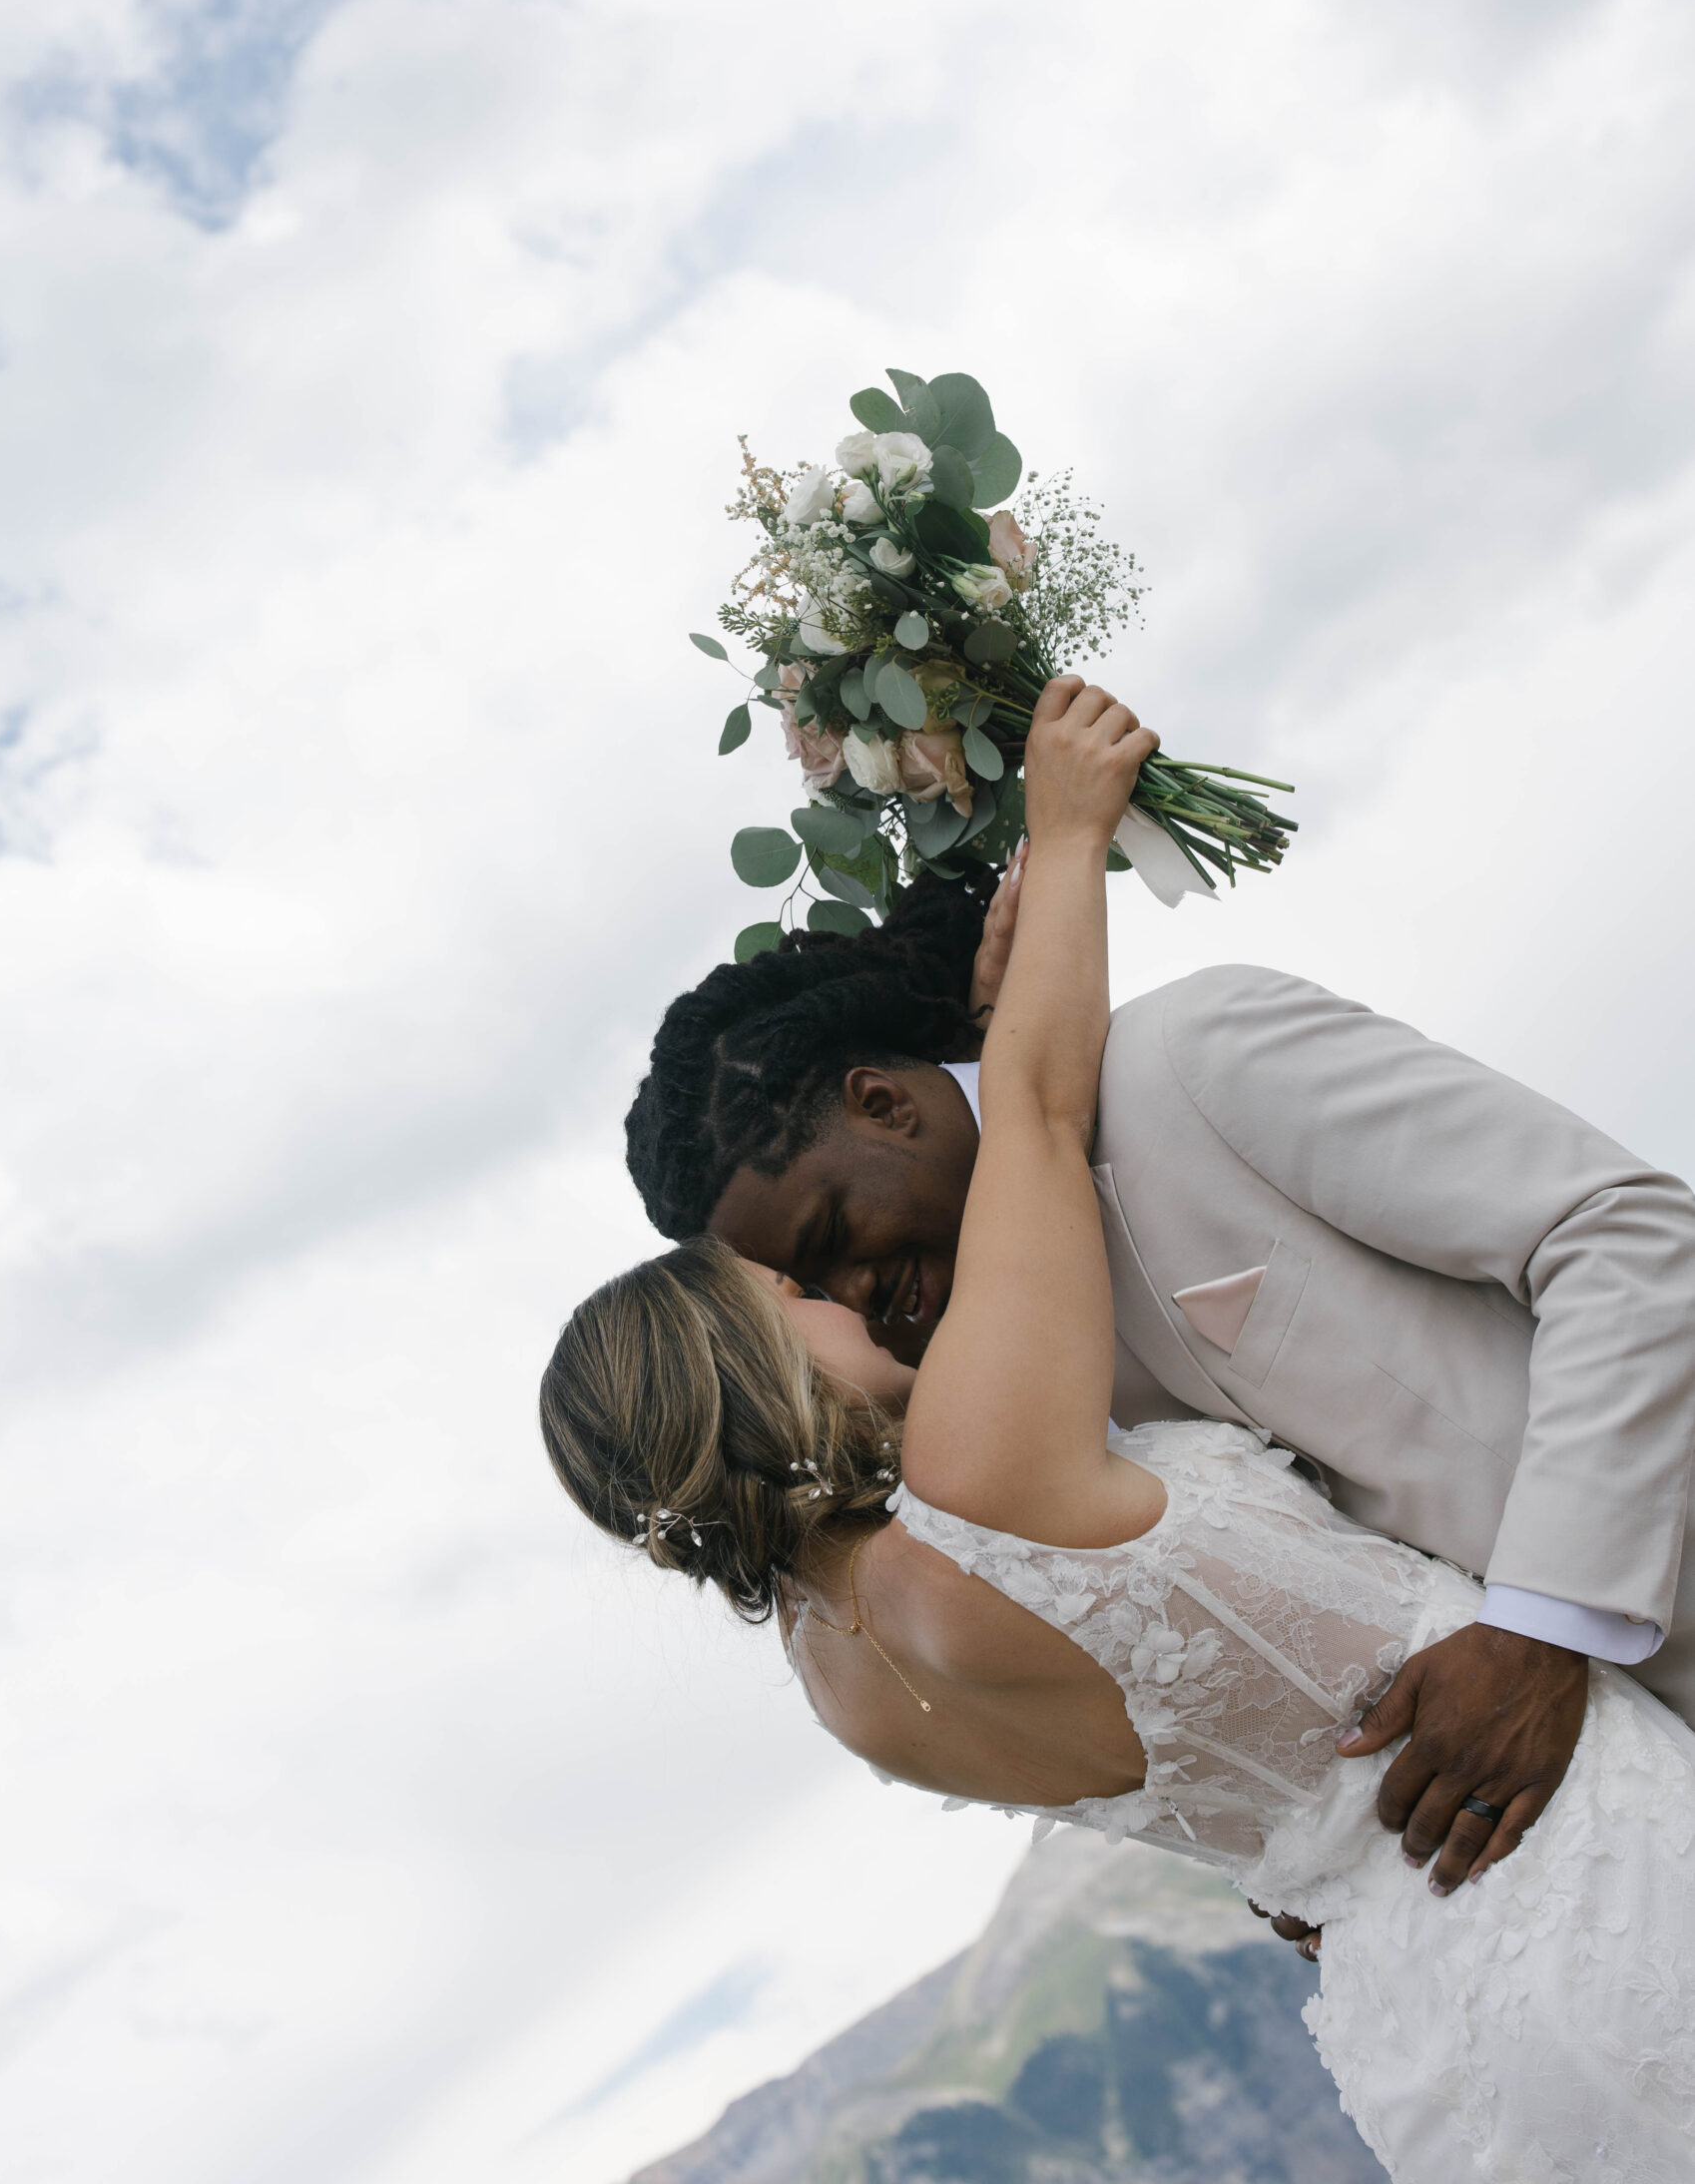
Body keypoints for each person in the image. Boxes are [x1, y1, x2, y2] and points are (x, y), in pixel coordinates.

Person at [544, 681, 1695, 2179]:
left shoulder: (1202, 1061)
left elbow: (1626, 1240)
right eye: (807, 1289)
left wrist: (1548, 1625)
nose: (855, 1293)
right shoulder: (988, 1384)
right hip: (1573, 1863)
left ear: (886, 1099)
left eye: (832, 1233)